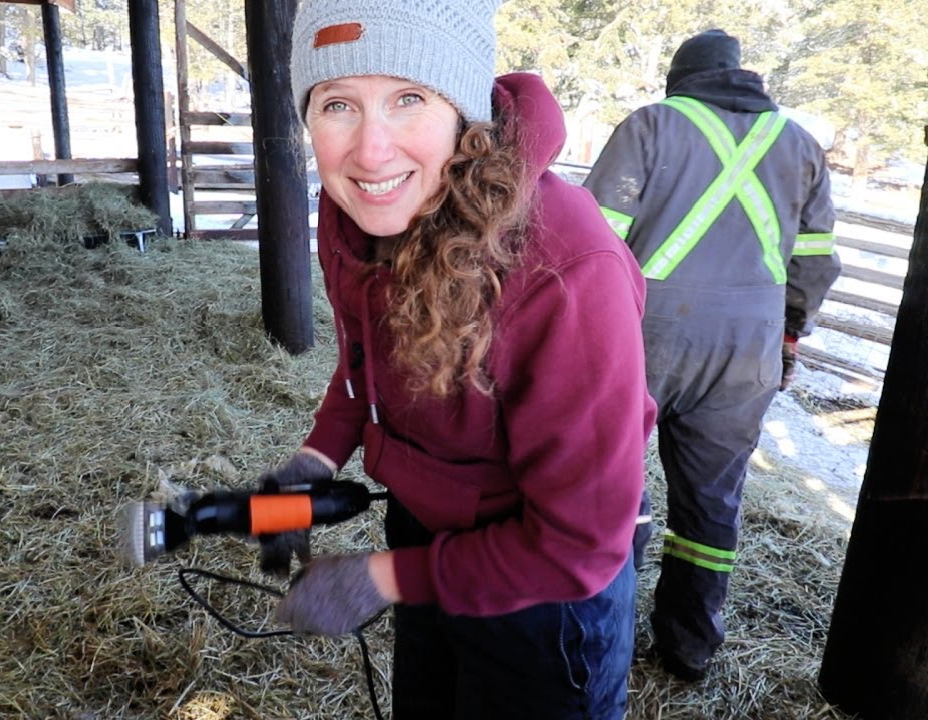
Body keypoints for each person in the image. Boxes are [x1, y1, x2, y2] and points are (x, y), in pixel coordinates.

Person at [258, 0, 657, 717]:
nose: (370, 151)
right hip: (424, 538)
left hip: (542, 590)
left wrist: (379, 579)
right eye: (337, 104)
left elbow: (578, 545)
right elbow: (366, 359)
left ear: (464, 116)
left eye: (409, 98)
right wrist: (312, 462)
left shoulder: (566, 266)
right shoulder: (358, 210)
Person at [582, 29, 842, 682]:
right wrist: (789, 337)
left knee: (612, 484)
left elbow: (591, 243)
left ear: (681, 79)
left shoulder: (651, 126)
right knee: (712, 502)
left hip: (642, 337)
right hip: (748, 350)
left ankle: (603, 636)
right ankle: (690, 645)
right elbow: (815, 263)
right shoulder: (799, 144)